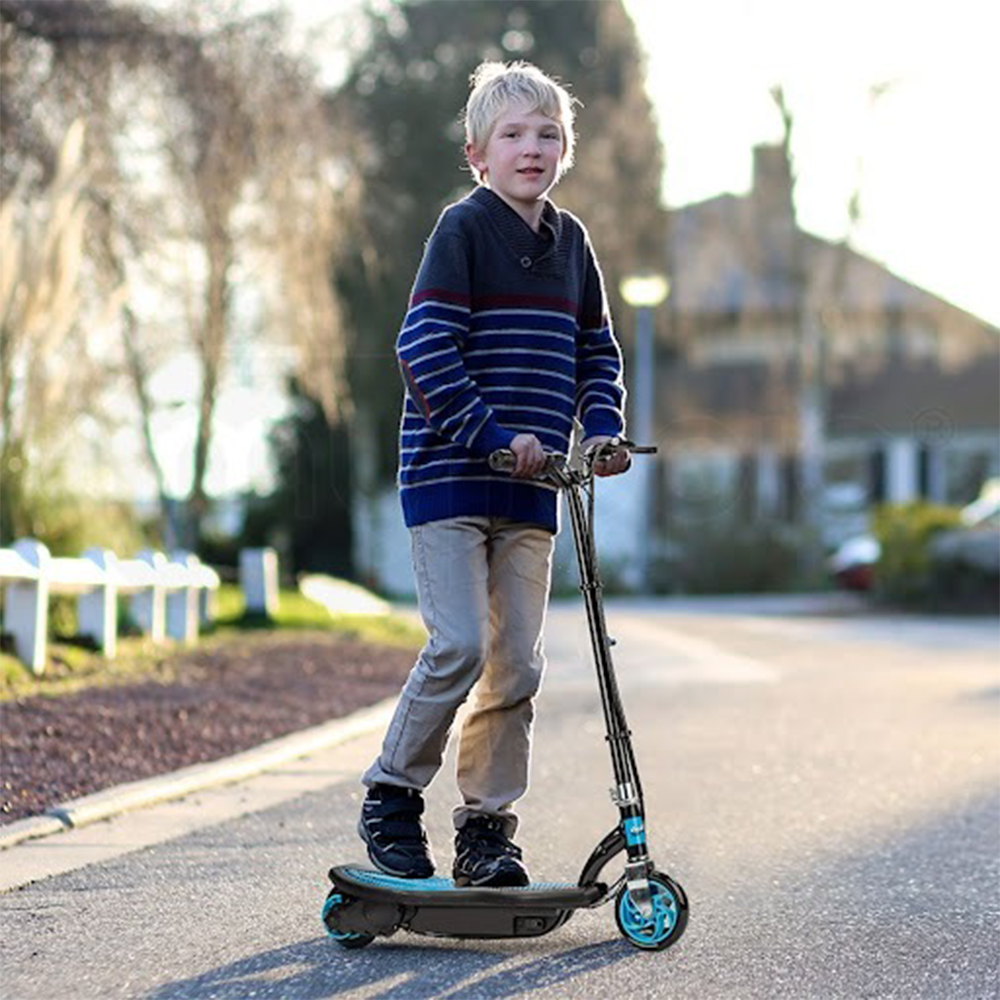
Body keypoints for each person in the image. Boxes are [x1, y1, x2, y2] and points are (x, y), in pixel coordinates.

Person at [358, 60, 631, 888]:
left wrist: (606, 430)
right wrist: (486, 436)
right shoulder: (464, 230)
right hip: (449, 475)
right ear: (478, 154)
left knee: (517, 663)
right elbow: (424, 348)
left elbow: (596, 352)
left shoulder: (572, 243)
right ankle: (392, 794)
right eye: (513, 134)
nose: (533, 148)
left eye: (548, 134)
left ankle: (485, 829)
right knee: (461, 645)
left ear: (565, 150)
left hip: (533, 488)